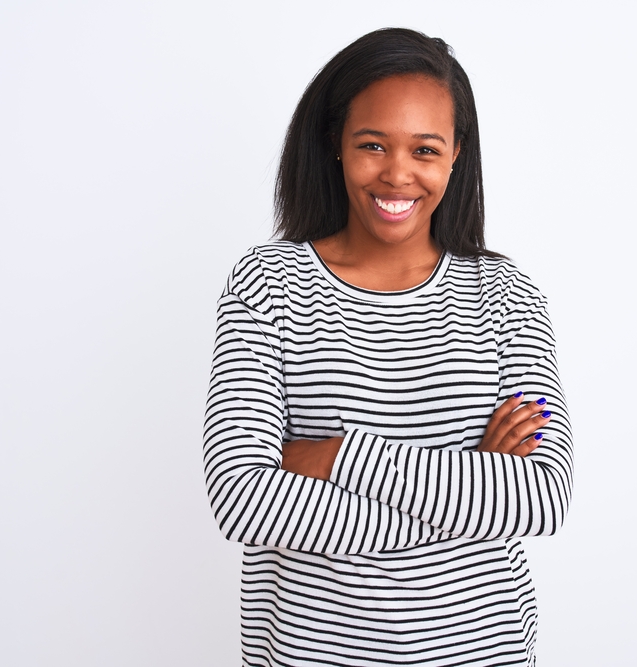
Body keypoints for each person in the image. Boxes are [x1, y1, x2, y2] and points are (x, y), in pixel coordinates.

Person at [203, 28, 573, 667]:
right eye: (372, 144)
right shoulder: (268, 286)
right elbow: (240, 496)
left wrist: (332, 455)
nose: (397, 173)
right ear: (336, 147)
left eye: (424, 149)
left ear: (456, 154)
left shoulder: (507, 296)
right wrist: (469, 493)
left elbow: (539, 496)